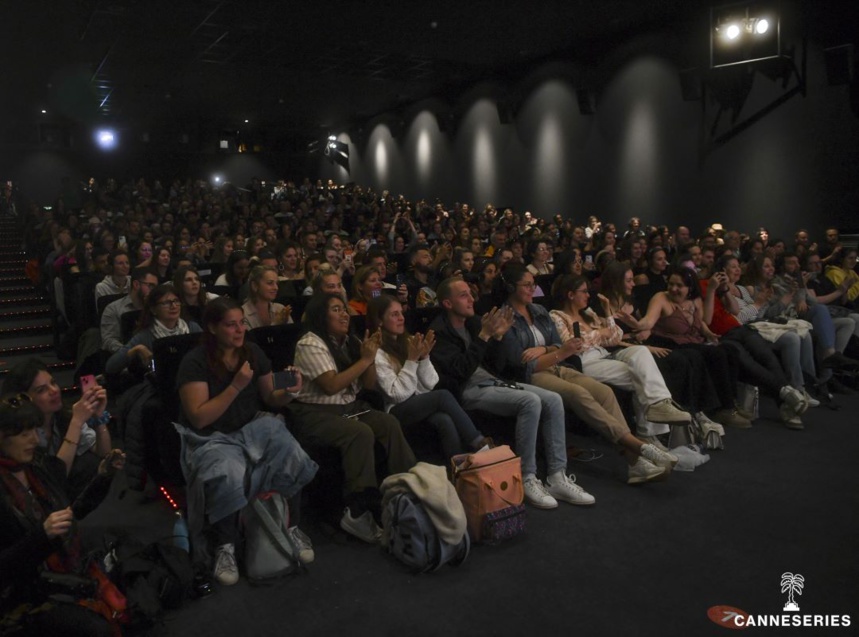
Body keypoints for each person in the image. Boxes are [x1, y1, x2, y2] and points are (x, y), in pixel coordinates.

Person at [490, 266, 677, 485]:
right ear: (511, 288)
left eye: (534, 284)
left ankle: (635, 462)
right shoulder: (504, 317)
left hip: (558, 365)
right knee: (578, 393)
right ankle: (638, 449)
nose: (534, 289)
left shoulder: (538, 310)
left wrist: (546, 349)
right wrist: (558, 352)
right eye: (527, 285)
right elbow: (523, 364)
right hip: (534, 373)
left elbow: (558, 342)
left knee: (604, 392)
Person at [176, 297, 317, 586]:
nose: (240, 330)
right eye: (231, 325)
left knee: (289, 450)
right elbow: (200, 418)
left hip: (250, 427)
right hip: (211, 436)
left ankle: (291, 527)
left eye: (242, 323)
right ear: (213, 328)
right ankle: (224, 546)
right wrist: (236, 385)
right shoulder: (195, 362)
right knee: (227, 472)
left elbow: (270, 397)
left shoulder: (252, 352)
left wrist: (290, 391)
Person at [430, 276, 598, 507]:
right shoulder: (439, 332)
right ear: (448, 303)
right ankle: (527, 477)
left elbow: (499, 366)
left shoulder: (474, 323)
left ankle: (557, 476)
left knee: (553, 399)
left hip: (493, 382)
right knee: (530, 401)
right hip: (467, 390)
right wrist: (484, 336)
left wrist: (498, 338)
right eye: (463, 295)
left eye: (470, 293)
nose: (471, 299)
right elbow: (460, 372)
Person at [289, 293, 416, 543]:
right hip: (314, 412)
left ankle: (409, 487)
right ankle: (358, 510)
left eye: (345, 309)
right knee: (360, 433)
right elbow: (331, 386)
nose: (345, 314)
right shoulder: (310, 343)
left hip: (349, 406)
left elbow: (367, 384)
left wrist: (370, 356)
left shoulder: (350, 341)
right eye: (336, 310)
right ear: (321, 316)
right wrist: (366, 358)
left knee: (388, 423)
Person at [0, 397, 125, 637]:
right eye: (24, 434)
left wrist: (103, 478)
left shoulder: (35, 466)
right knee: (96, 629)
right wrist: (41, 536)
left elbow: (71, 514)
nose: (34, 440)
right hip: (24, 593)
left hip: (58, 573)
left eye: (34, 431)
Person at [548, 273, 692, 435]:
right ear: (571, 295)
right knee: (643, 378)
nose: (589, 295)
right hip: (585, 362)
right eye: (584, 291)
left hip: (605, 354)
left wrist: (608, 313)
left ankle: (659, 406)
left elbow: (615, 338)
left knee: (641, 351)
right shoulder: (556, 316)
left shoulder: (588, 313)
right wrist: (600, 333)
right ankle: (650, 431)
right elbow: (571, 344)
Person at [367, 295, 490, 461]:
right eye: (394, 314)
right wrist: (412, 360)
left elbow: (431, 383)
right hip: (394, 409)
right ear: (380, 321)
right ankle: (480, 443)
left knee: (444, 419)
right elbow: (396, 395)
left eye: (401, 313)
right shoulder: (378, 353)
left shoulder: (409, 342)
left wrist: (424, 358)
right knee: (443, 396)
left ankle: (457, 467)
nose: (401, 318)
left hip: (417, 401)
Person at [630, 266, 752, 428]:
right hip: (669, 342)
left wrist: (708, 332)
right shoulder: (661, 298)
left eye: (679, 285)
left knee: (730, 350)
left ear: (690, 288)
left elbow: (703, 322)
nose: (673, 289)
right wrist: (637, 325)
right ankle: (723, 408)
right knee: (715, 354)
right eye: (671, 284)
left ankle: (729, 402)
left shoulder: (695, 300)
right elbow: (648, 320)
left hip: (692, 341)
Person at [701, 254, 810, 428]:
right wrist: (713, 289)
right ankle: (787, 394)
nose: (737, 270)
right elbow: (708, 320)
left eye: (738, 266)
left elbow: (735, 311)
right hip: (723, 334)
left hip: (741, 328)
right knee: (748, 361)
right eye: (732, 266)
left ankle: (787, 400)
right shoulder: (703, 286)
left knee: (766, 356)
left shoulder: (730, 289)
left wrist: (726, 289)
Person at [1, 359, 113, 499]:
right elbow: (52, 478)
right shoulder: (19, 432)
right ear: (25, 399)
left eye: (53, 383)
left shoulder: (63, 417)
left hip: (61, 495)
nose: (53, 391)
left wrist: (99, 417)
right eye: (42, 390)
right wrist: (76, 423)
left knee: (89, 463)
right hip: (34, 495)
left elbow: (103, 454)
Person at [105, 284, 202, 375]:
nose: (173, 306)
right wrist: (135, 349)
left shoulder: (192, 328)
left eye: (176, 301)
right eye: (166, 303)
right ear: (153, 309)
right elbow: (110, 366)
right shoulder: (145, 335)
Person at [100, 266, 159, 354]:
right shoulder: (113, 308)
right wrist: (131, 351)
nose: (154, 291)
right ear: (136, 284)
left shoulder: (156, 307)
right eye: (150, 286)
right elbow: (108, 341)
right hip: (125, 356)